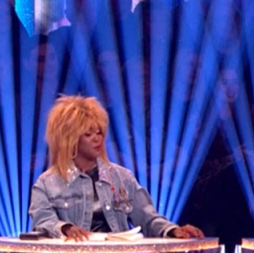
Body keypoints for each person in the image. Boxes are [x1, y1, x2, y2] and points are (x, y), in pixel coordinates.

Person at [29, 96, 204, 240]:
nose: (97, 139)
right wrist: (66, 228)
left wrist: (172, 230)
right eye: (88, 134)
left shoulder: (122, 177)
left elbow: (148, 218)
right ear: (70, 139)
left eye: (99, 132)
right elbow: (43, 220)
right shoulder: (47, 183)